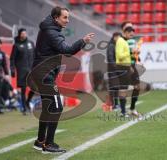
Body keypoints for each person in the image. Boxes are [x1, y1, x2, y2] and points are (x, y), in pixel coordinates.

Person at [31, 6, 94, 153]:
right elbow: (68, 50)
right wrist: (82, 41)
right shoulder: (52, 32)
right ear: (55, 18)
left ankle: (40, 141)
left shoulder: (49, 29)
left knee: (48, 107)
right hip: (44, 73)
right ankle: (49, 144)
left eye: (68, 17)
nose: (68, 20)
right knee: (57, 106)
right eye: (65, 17)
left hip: (41, 72)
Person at [115, 27, 140, 117]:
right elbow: (119, 55)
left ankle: (132, 109)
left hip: (127, 66)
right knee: (123, 89)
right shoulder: (120, 41)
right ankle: (123, 112)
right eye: (130, 34)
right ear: (125, 32)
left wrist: (130, 64)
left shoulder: (124, 41)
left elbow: (126, 56)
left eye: (132, 35)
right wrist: (130, 52)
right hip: (121, 67)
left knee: (137, 86)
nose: (131, 36)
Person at [10, 28, 35, 115]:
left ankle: (28, 102)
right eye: (22, 33)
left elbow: (35, 55)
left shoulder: (31, 43)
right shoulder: (16, 45)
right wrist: (12, 69)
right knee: (23, 89)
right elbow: (12, 59)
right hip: (22, 70)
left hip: (31, 69)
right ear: (19, 34)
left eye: (25, 33)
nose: (24, 34)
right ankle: (24, 108)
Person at [106, 32, 122, 110]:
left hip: (114, 69)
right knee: (114, 87)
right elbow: (111, 58)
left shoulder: (114, 45)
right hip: (113, 70)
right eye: (119, 37)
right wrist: (116, 67)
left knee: (116, 87)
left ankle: (115, 104)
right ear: (115, 37)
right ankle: (113, 105)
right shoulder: (111, 46)